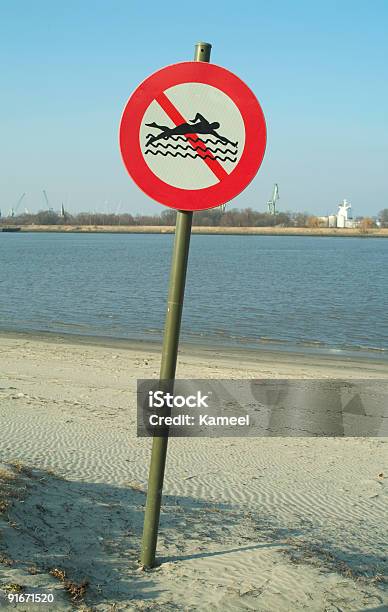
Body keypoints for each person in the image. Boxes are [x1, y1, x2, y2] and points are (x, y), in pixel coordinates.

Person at [145, 113, 235, 146]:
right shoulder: (206, 124)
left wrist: (231, 143)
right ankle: (153, 139)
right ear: (212, 124)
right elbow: (198, 114)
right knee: (169, 132)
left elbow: (221, 138)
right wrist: (194, 120)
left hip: (187, 129)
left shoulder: (210, 131)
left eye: (214, 127)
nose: (212, 127)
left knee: (170, 132)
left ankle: (155, 127)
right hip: (186, 128)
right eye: (213, 125)